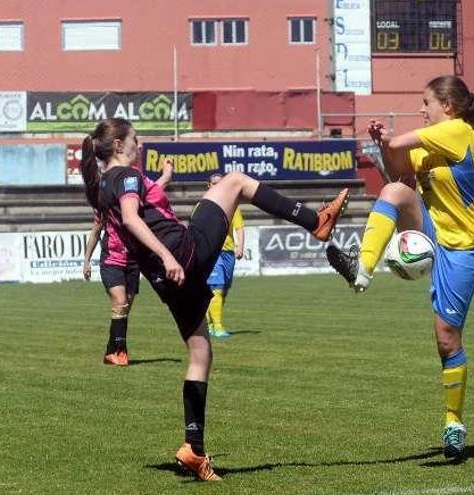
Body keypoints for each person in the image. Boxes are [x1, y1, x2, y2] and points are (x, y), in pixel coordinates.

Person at [80, 117, 348, 481]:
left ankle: (194, 448)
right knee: (234, 181)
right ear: (118, 146)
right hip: (181, 254)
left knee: (200, 352)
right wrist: (170, 255)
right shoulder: (126, 177)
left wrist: (162, 191)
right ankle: (316, 221)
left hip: (166, 280)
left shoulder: (105, 186)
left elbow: (132, 214)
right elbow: (131, 218)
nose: (139, 145)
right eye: (135, 139)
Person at [325, 75, 474, 464]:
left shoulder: (457, 130)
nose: (422, 109)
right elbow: (397, 170)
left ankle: (454, 423)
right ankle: (361, 269)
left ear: (447, 106)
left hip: (464, 245)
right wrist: (384, 144)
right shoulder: (434, 138)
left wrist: (388, 137)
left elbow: (401, 143)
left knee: (446, 339)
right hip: (434, 228)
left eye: (426, 102)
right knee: (394, 193)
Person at [82, 156, 173, 366]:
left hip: (132, 260)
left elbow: (155, 189)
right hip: (111, 258)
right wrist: (86, 261)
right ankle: (120, 352)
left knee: (124, 308)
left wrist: (166, 175)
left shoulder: (132, 201)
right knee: (120, 302)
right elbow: (95, 233)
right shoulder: (104, 207)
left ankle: (111, 349)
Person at [204, 173, 245, 339]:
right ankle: (217, 326)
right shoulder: (203, 206)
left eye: (220, 184)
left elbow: (239, 228)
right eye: (214, 183)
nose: (217, 186)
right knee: (217, 288)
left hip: (228, 252)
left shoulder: (232, 206)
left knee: (224, 290)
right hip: (213, 252)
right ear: (208, 186)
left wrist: (240, 246)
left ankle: (212, 323)